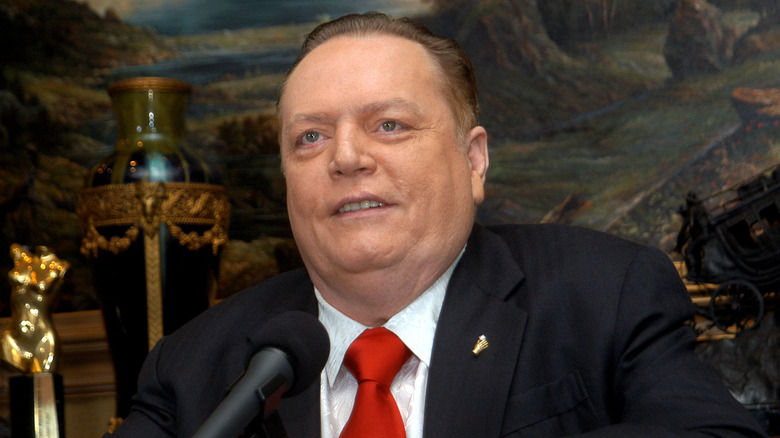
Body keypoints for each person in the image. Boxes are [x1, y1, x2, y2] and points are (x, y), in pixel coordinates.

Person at [108, 12, 767, 438]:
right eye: (310, 137)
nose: (346, 157)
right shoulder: (194, 366)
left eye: (388, 125)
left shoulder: (602, 295)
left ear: (474, 161)